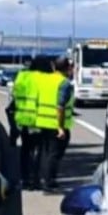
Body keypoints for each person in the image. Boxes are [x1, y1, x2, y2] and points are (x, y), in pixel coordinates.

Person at [10, 55, 52, 189]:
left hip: (24, 119)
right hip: (41, 119)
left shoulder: (22, 76)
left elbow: (14, 96)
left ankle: (24, 180)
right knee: (39, 151)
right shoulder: (46, 79)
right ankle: (36, 180)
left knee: (25, 150)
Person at [37, 56, 75, 193]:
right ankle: (48, 183)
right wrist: (60, 127)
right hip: (56, 124)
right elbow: (60, 106)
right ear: (67, 68)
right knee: (54, 155)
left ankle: (49, 180)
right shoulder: (64, 83)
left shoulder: (45, 80)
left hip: (43, 121)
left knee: (47, 153)